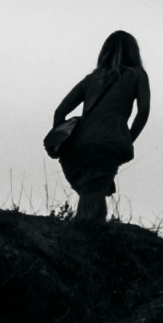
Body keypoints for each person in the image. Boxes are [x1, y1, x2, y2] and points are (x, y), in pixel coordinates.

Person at [45, 29, 150, 229]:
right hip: (109, 140)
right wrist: (128, 137)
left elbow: (60, 112)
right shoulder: (137, 75)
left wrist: (63, 139)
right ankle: (86, 240)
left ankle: (89, 235)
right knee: (94, 196)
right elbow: (143, 112)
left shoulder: (91, 79)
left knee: (91, 193)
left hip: (79, 143)